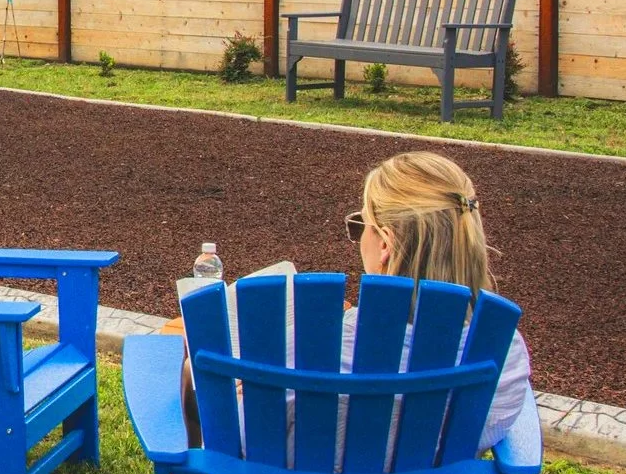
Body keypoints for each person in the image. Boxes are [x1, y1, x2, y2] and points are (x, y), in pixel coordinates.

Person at [180, 150, 534, 456]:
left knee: (188, 372)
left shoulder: (313, 351)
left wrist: (247, 386)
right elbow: (492, 429)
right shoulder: (504, 353)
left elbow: (237, 438)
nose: (357, 236)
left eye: (360, 224)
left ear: (385, 244)